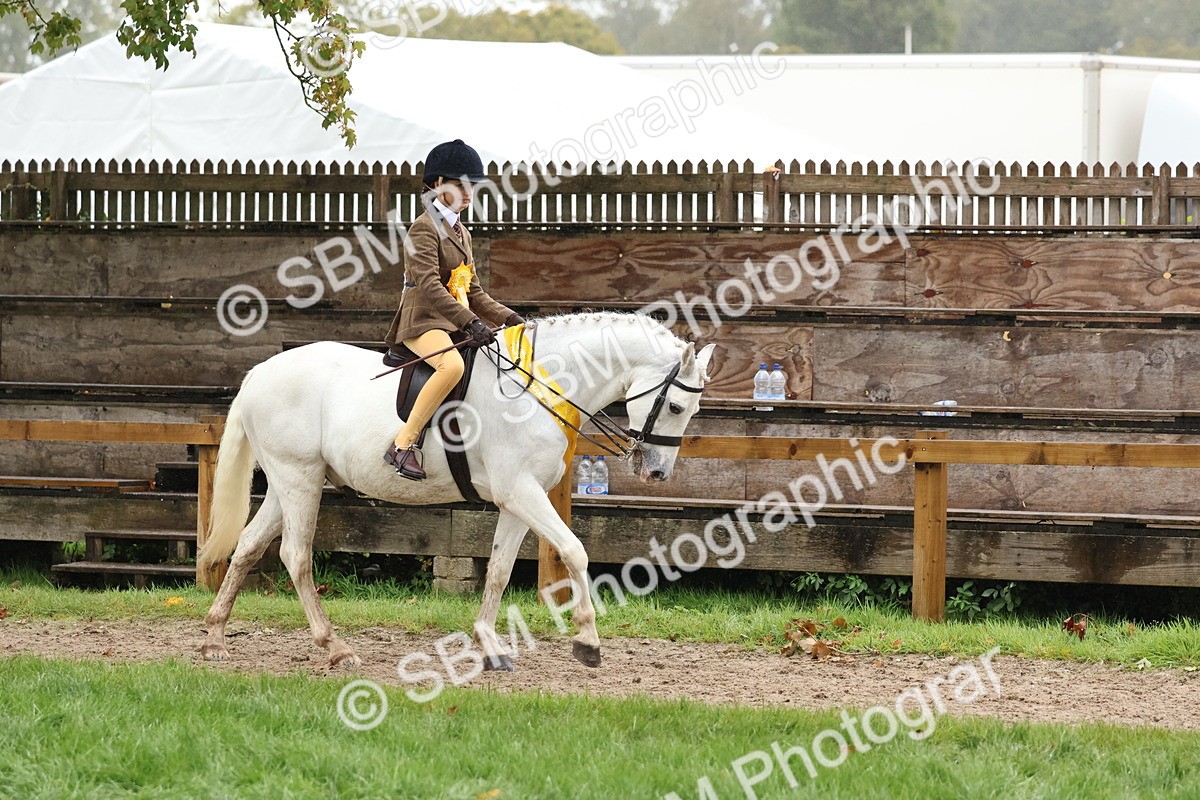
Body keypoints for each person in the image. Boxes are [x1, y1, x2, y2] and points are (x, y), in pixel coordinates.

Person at [382, 139, 524, 480]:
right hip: (422, 322)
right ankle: (403, 445)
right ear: (436, 185)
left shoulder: (463, 233)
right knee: (451, 365)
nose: (467, 193)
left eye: (471, 186)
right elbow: (430, 285)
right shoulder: (423, 228)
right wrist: (470, 322)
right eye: (459, 185)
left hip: (452, 322)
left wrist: (509, 318)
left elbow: (473, 291)